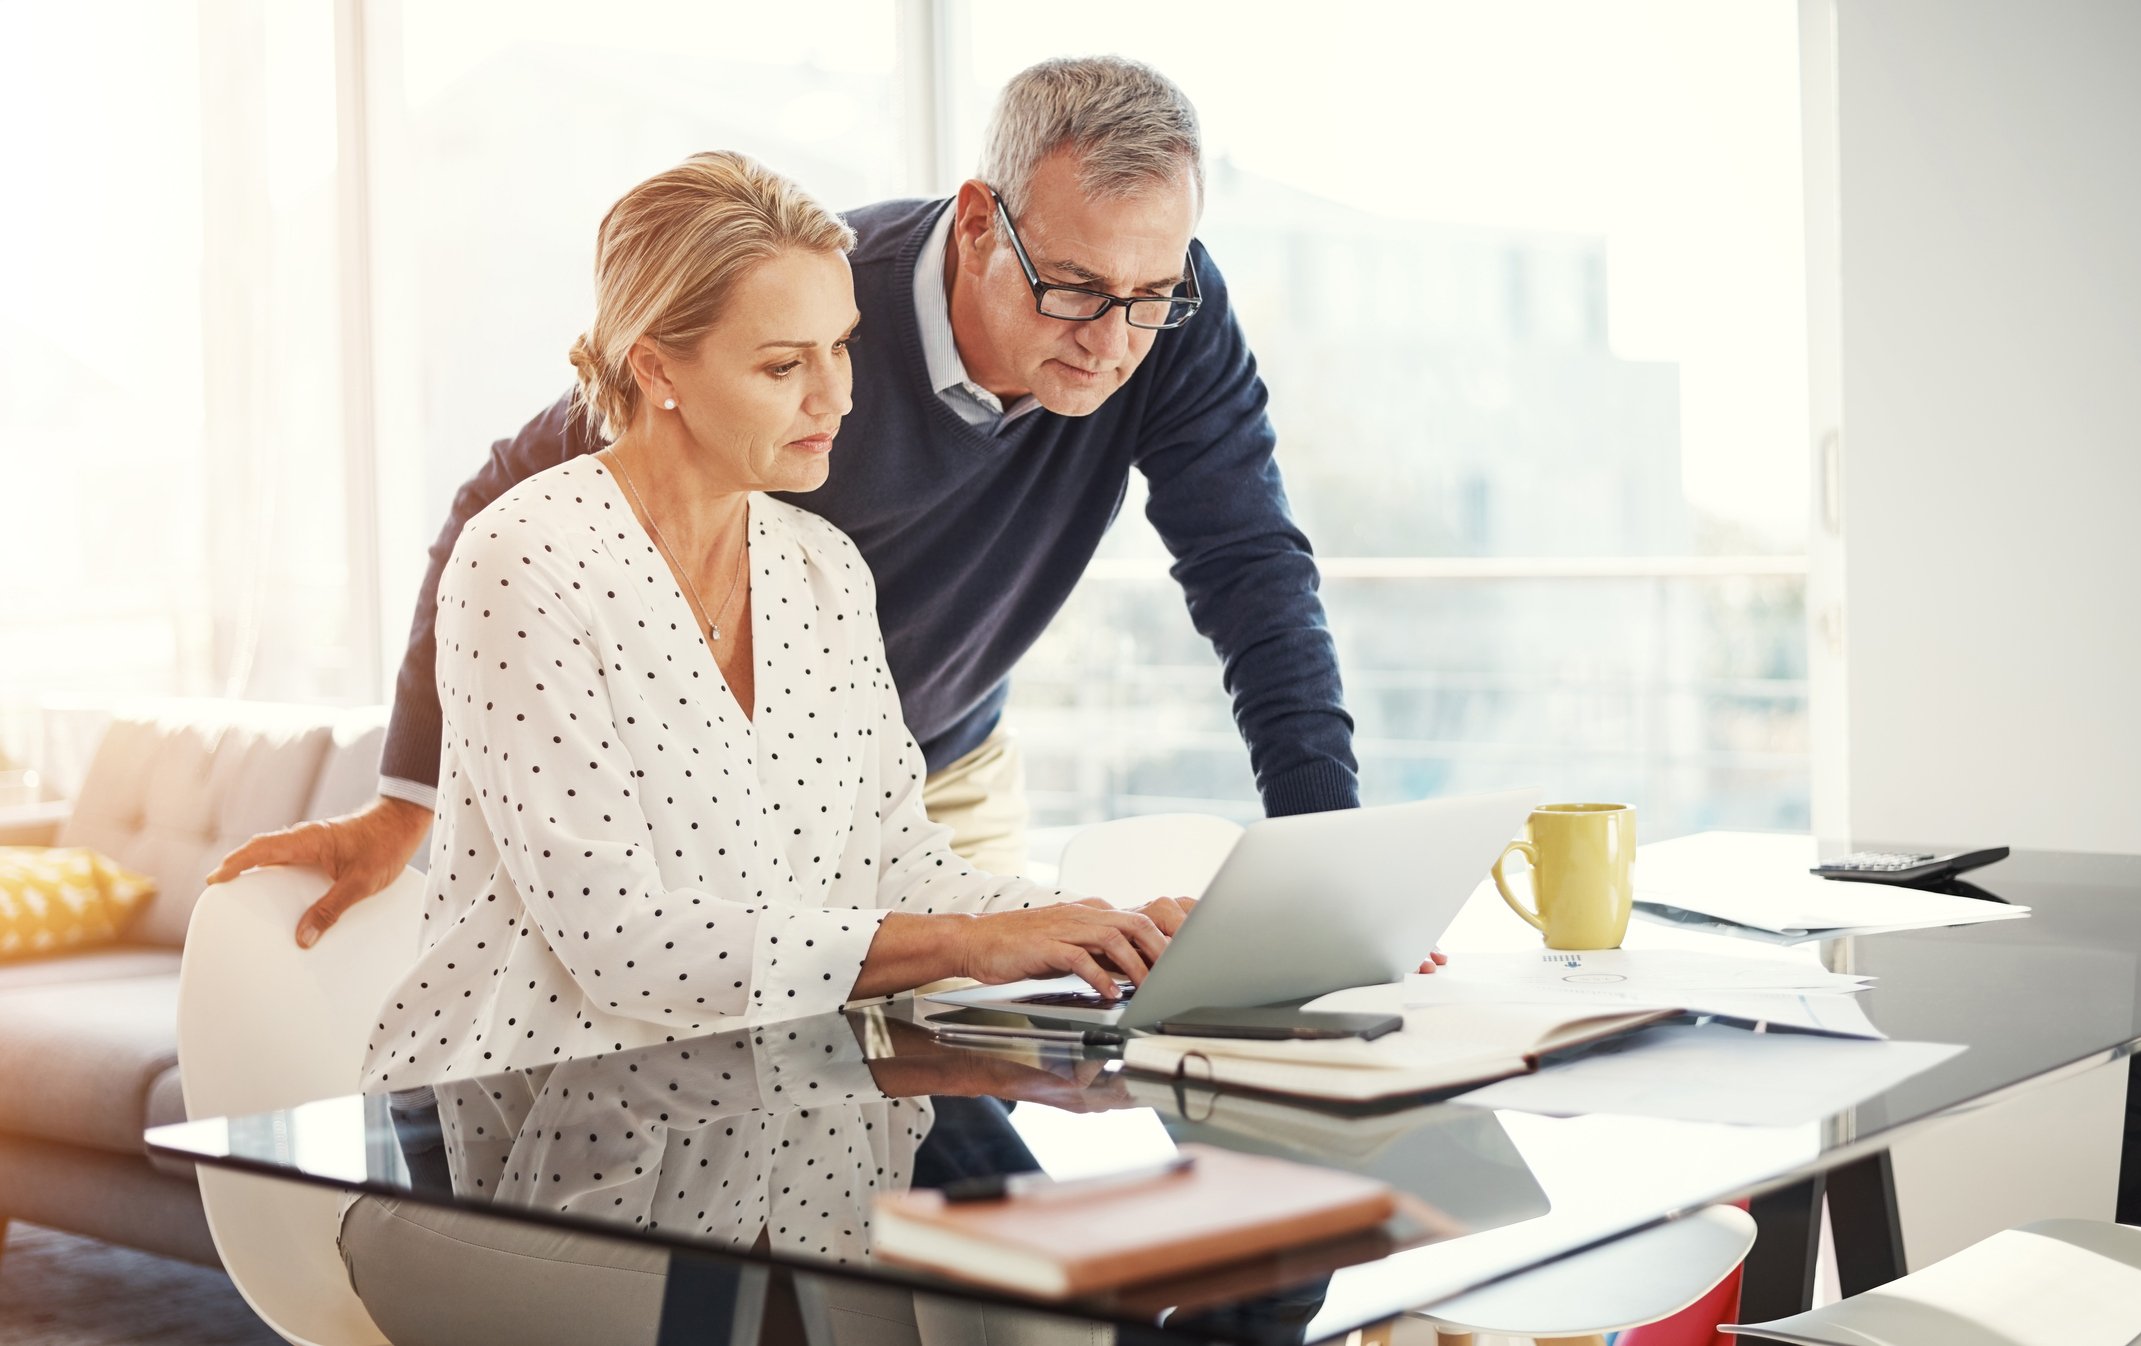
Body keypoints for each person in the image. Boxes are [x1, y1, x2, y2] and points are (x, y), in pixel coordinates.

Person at [214, 57, 1427, 972]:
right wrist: (409, 794)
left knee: (970, 1116)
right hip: (720, 787)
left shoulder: (1165, 316)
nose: (1111, 340)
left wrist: (1320, 867)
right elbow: (509, 497)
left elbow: (1250, 569)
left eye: (1150, 293)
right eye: (1069, 288)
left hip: (928, 771)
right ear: (974, 221)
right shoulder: (792, 319)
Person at [365, 150, 1186, 1090]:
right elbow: (618, 939)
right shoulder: (527, 559)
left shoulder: (823, 569)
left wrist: (1089, 929)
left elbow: (898, 867)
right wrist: (968, 942)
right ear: (656, 367)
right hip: (539, 1125)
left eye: (842, 347)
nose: (836, 395)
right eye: (782, 364)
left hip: (782, 1116)